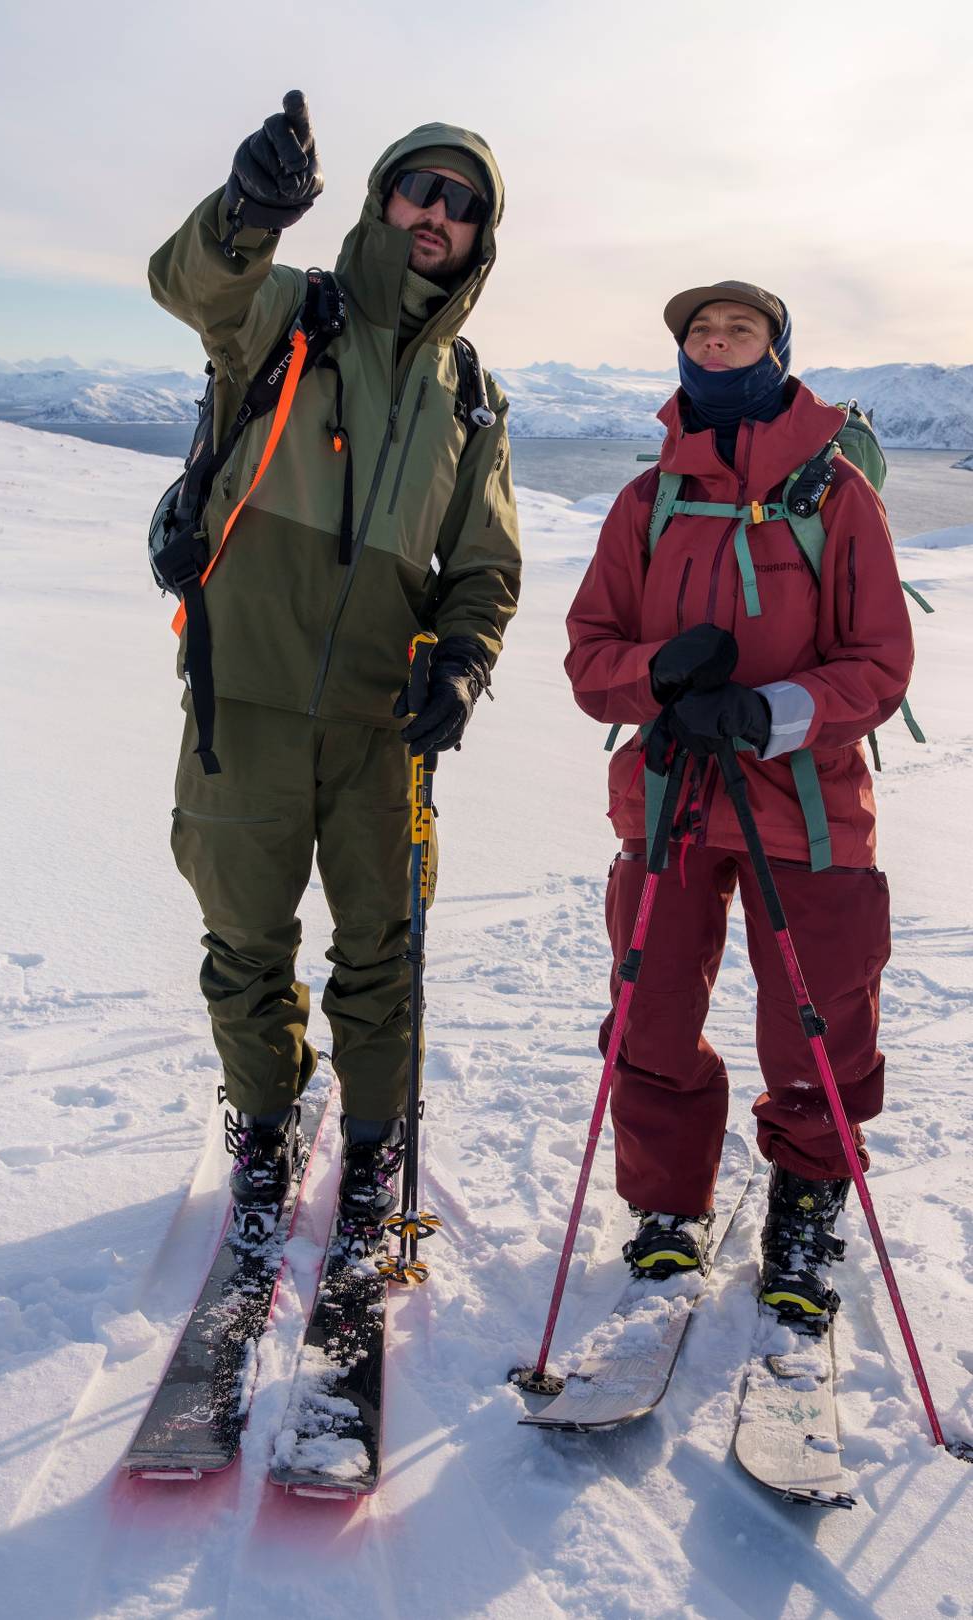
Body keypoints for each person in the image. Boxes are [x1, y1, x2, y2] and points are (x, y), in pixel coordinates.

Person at [148, 95, 520, 1253]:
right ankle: (263, 1125)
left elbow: (485, 564)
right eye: (422, 188)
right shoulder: (289, 313)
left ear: (478, 239)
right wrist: (247, 212)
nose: (437, 214)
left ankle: (370, 1140)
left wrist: (463, 661)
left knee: (383, 948)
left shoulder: (471, 398)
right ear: (382, 198)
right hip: (243, 701)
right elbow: (194, 286)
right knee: (246, 940)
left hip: (380, 725)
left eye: (464, 205)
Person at [565, 280, 913, 1329]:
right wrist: (661, 674)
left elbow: (881, 664)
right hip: (670, 799)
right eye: (700, 334)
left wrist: (770, 714)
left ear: (776, 348)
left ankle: (807, 1210)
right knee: (652, 1013)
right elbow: (591, 660)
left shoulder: (837, 493)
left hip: (805, 805)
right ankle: (667, 1210)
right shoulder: (649, 498)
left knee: (817, 1025)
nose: (717, 347)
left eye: (740, 331)